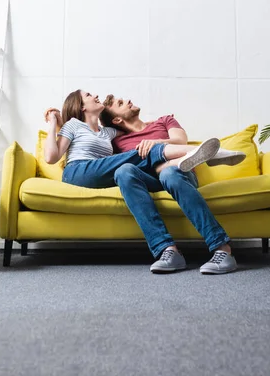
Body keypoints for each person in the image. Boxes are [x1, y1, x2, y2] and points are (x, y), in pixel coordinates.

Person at [98, 95, 244, 275]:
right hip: (150, 181)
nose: (127, 100)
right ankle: (168, 251)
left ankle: (223, 250)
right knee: (123, 171)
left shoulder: (164, 121)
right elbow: (92, 142)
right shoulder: (117, 142)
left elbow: (181, 141)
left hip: (179, 174)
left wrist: (156, 143)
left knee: (168, 173)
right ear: (117, 119)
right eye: (120, 104)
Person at [44, 89, 226, 191]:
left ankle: (188, 158)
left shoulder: (108, 133)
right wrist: (54, 123)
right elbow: (51, 157)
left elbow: (134, 129)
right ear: (81, 107)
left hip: (99, 175)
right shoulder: (74, 125)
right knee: (142, 152)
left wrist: (154, 125)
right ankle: (209, 153)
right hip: (77, 172)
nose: (95, 96)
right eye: (89, 95)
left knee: (139, 155)